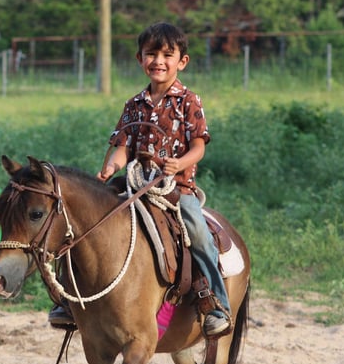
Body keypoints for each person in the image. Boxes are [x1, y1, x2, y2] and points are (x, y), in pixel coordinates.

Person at [48, 21, 231, 337]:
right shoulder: (133, 105)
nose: (158, 61)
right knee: (84, 223)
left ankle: (214, 302)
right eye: (151, 54)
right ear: (139, 58)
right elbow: (123, 147)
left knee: (197, 232)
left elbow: (199, 145)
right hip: (133, 183)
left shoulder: (189, 101)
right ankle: (69, 300)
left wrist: (179, 164)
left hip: (175, 187)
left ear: (181, 61)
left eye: (167, 55)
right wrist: (110, 169)